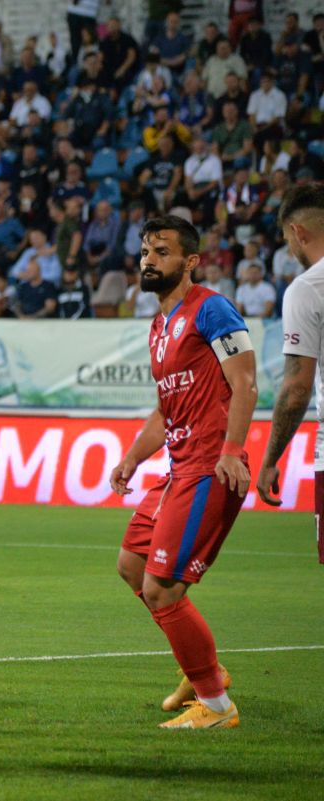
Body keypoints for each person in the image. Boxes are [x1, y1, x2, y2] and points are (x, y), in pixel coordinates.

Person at [109, 214, 256, 729]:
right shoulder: (158, 325)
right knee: (131, 565)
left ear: (190, 261)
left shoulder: (212, 308)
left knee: (162, 589)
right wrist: (131, 458)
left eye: (163, 252)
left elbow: (246, 382)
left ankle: (216, 707)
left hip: (210, 465)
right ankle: (204, 670)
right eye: (146, 251)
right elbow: (163, 410)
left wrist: (234, 450)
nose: (150, 260)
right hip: (177, 465)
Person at [257, 183, 324, 566]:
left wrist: (270, 459)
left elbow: (297, 387)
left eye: (287, 240)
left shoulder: (308, 288)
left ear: (299, 233)